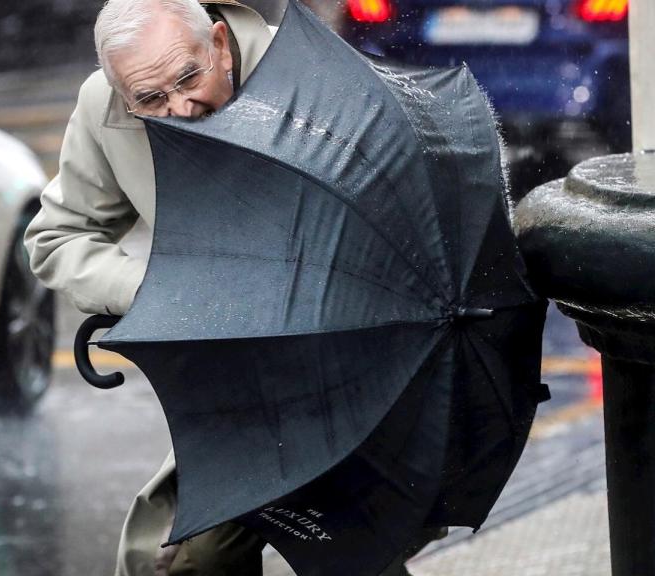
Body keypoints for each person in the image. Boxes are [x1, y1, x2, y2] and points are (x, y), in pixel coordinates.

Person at [24, 0, 437, 574]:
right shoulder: (109, 104)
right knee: (182, 561)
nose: (178, 108)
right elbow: (58, 237)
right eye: (149, 100)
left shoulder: (315, 83)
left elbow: (401, 227)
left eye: (188, 79)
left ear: (219, 44)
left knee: (357, 550)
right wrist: (152, 289)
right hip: (236, 387)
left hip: (349, 371)